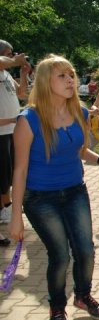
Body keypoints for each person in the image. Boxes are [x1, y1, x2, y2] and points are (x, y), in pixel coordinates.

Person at [9, 55, 99, 320]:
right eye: (62, 76)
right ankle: (57, 305)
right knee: (60, 255)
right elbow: (19, 171)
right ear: (46, 82)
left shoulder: (81, 112)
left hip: (75, 192)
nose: (70, 80)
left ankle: (83, 296)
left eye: (71, 74)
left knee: (86, 251)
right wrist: (15, 217)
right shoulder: (28, 120)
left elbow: (80, 150)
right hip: (40, 199)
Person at [0, 40, 28, 227]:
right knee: (2, 173)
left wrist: (23, 74)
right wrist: (16, 61)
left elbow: (21, 94)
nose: (13, 57)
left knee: (9, 171)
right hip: (1, 132)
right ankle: (5, 208)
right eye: (9, 54)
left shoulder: (6, 75)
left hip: (10, 130)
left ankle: (8, 204)